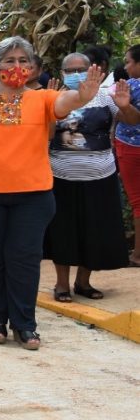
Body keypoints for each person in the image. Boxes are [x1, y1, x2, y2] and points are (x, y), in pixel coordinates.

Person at [0, 36, 103, 351]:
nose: (16, 67)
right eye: (9, 61)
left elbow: (65, 103)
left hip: (32, 196)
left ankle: (25, 325)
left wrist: (82, 96)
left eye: (23, 61)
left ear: (31, 68)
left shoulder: (43, 98)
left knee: (25, 259)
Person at [44, 52, 135, 300]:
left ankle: (83, 282)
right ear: (62, 73)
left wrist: (126, 106)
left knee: (95, 231)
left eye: (80, 69)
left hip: (100, 176)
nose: (76, 75)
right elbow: (46, 134)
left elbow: (133, 121)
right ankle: (61, 285)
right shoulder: (55, 99)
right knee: (62, 232)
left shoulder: (107, 97)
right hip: (60, 177)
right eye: (69, 71)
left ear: (92, 70)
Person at [117, 44, 140, 268]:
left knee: (137, 202)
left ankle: (138, 255)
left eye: (129, 62)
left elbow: (124, 117)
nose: (125, 66)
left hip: (131, 147)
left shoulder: (130, 86)